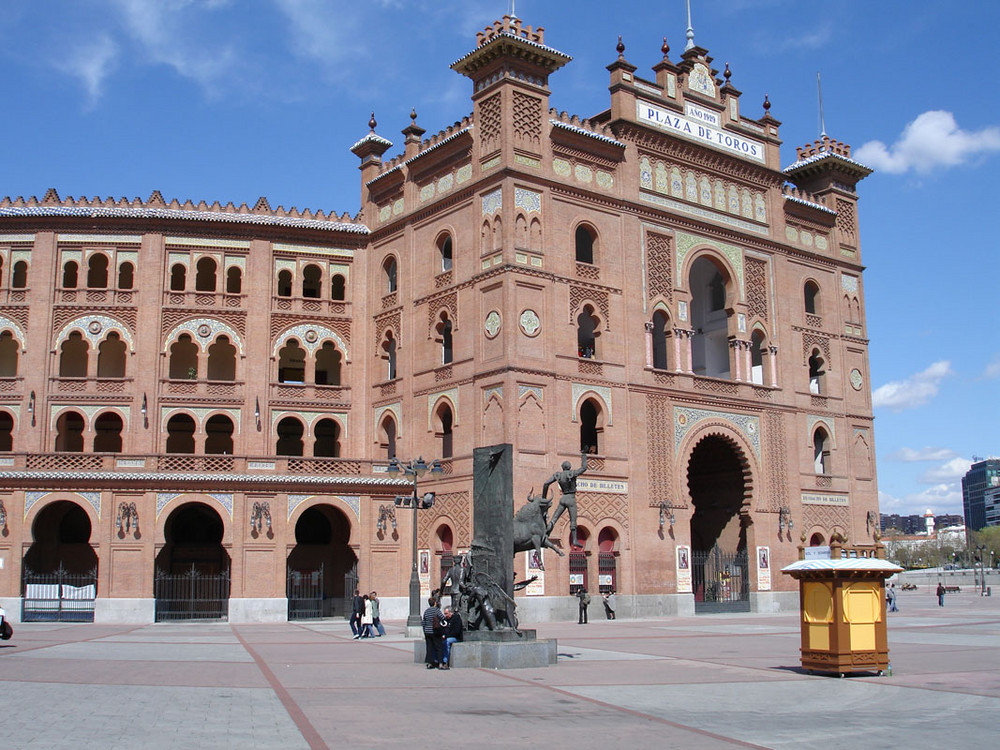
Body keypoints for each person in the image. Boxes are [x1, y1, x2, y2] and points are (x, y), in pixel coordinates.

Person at [543, 452, 588, 547]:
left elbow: (546, 484)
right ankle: (575, 540)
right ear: (569, 467)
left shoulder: (558, 475)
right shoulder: (572, 473)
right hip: (571, 498)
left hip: (563, 498)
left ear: (563, 467)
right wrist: (584, 455)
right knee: (573, 520)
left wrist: (544, 498)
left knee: (554, 518)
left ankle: (546, 533)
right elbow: (584, 468)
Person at [421, 596, 446, 669]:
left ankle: (429, 663)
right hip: (435, 631)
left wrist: (425, 631)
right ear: (435, 603)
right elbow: (442, 618)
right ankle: (440, 663)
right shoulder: (436, 610)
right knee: (439, 647)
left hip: (427, 632)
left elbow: (423, 622)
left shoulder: (426, 611)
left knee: (429, 648)